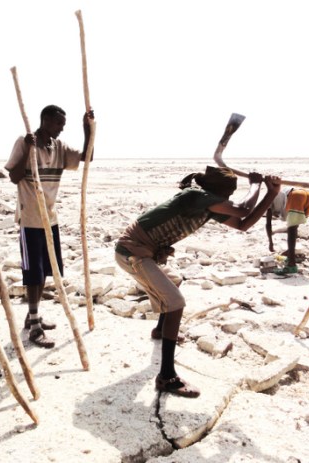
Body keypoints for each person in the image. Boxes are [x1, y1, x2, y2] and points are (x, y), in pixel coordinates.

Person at [115, 166, 281, 397]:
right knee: (175, 303)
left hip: (142, 252)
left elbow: (243, 224)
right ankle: (166, 376)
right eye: (229, 192)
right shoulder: (196, 196)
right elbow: (243, 209)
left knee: (174, 280)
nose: (230, 197)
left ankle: (161, 330)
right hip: (132, 252)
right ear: (217, 190)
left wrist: (271, 193)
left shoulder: (208, 206)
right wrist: (255, 184)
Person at [6, 105, 94, 348]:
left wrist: (88, 130)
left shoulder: (59, 147)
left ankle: (32, 315)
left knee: (46, 270)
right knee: (32, 273)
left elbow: (87, 157)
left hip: (50, 219)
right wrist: (28, 149)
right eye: (57, 124)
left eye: (63, 125)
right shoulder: (24, 142)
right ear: (44, 120)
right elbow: (14, 177)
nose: (61, 129)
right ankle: (34, 327)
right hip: (30, 219)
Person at [265, 187, 309, 275]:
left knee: (291, 229)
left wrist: (270, 243)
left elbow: (268, 224)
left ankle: (291, 265)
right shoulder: (277, 194)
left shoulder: (267, 201)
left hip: (296, 196)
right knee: (293, 229)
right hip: (308, 195)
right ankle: (291, 257)